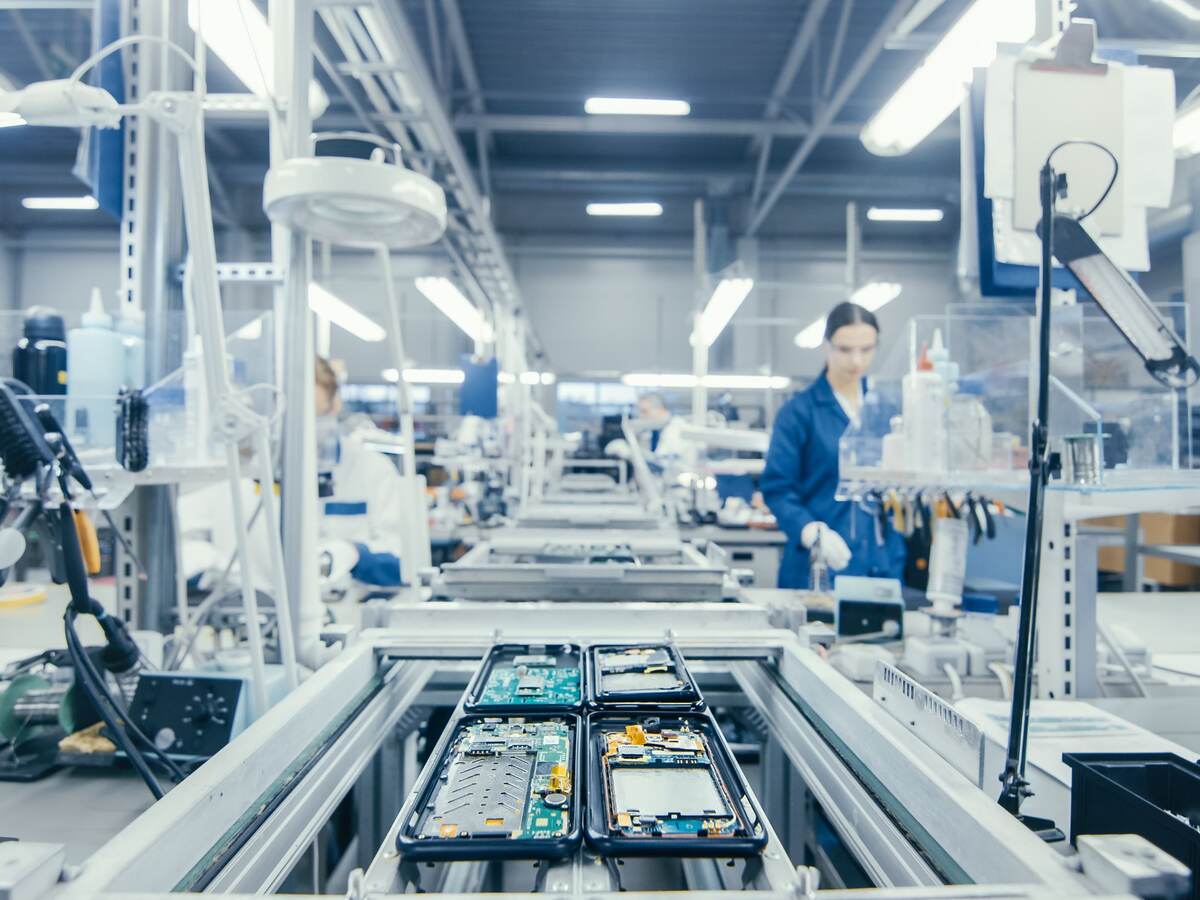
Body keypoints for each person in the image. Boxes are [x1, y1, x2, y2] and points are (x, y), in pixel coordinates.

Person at [761, 302, 905, 588]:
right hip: (817, 567)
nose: (856, 361)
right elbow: (778, 488)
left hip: (880, 564)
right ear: (826, 347)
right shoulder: (800, 412)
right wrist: (809, 531)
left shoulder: (886, 411)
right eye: (845, 349)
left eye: (867, 349)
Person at [313, 356, 409, 589]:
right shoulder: (253, 477)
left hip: (350, 611)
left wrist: (353, 553)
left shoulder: (373, 470)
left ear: (334, 405)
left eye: (315, 416)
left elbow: (401, 562)